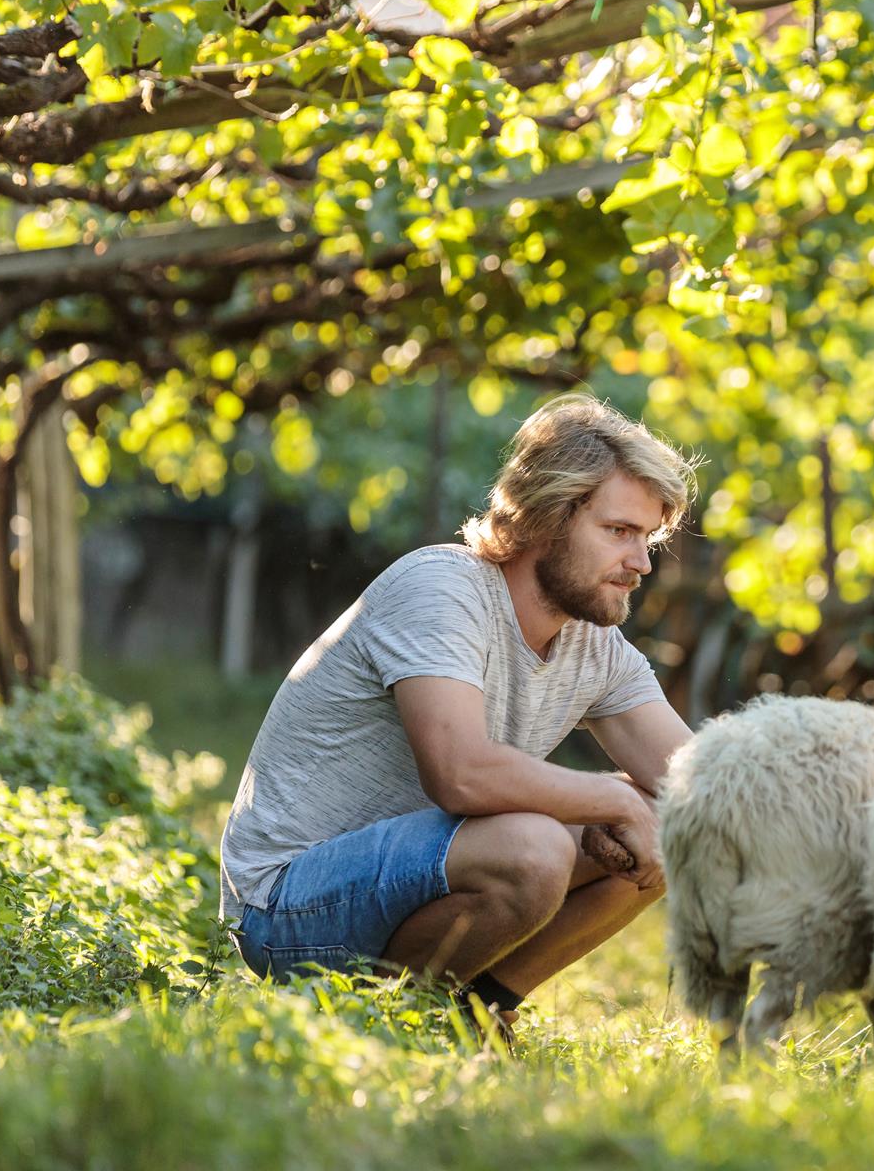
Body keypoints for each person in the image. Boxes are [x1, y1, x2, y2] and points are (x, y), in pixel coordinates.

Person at [219, 394, 699, 1035]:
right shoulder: (442, 590)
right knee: (533, 848)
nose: (641, 563)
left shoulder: (593, 646)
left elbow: (701, 785)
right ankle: (384, 1020)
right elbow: (461, 774)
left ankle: (476, 1012)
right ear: (549, 518)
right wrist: (611, 801)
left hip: (414, 880)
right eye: (619, 532)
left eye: (648, 538)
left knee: (676, 821)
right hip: (285, 906)